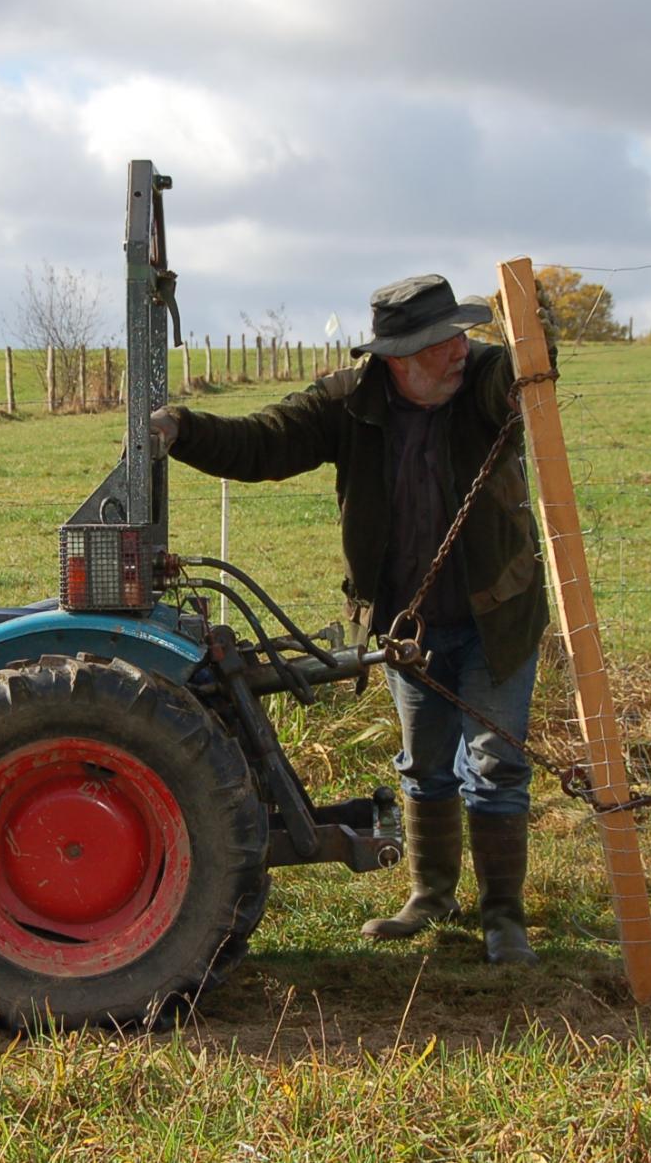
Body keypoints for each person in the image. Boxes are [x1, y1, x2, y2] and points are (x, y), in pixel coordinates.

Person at [151, 276, 548, 963]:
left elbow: (520, 379)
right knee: (425, 766)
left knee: (497, 764)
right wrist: (182, 430)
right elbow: (264, 443)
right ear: (396, 358)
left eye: (460, 335)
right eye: (439, 343)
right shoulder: (351, 402)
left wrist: (536, 342)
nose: (458, 350)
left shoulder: (484, 379)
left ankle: (503, 916)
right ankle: (432, 896)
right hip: (410, 628)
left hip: (497, 618)